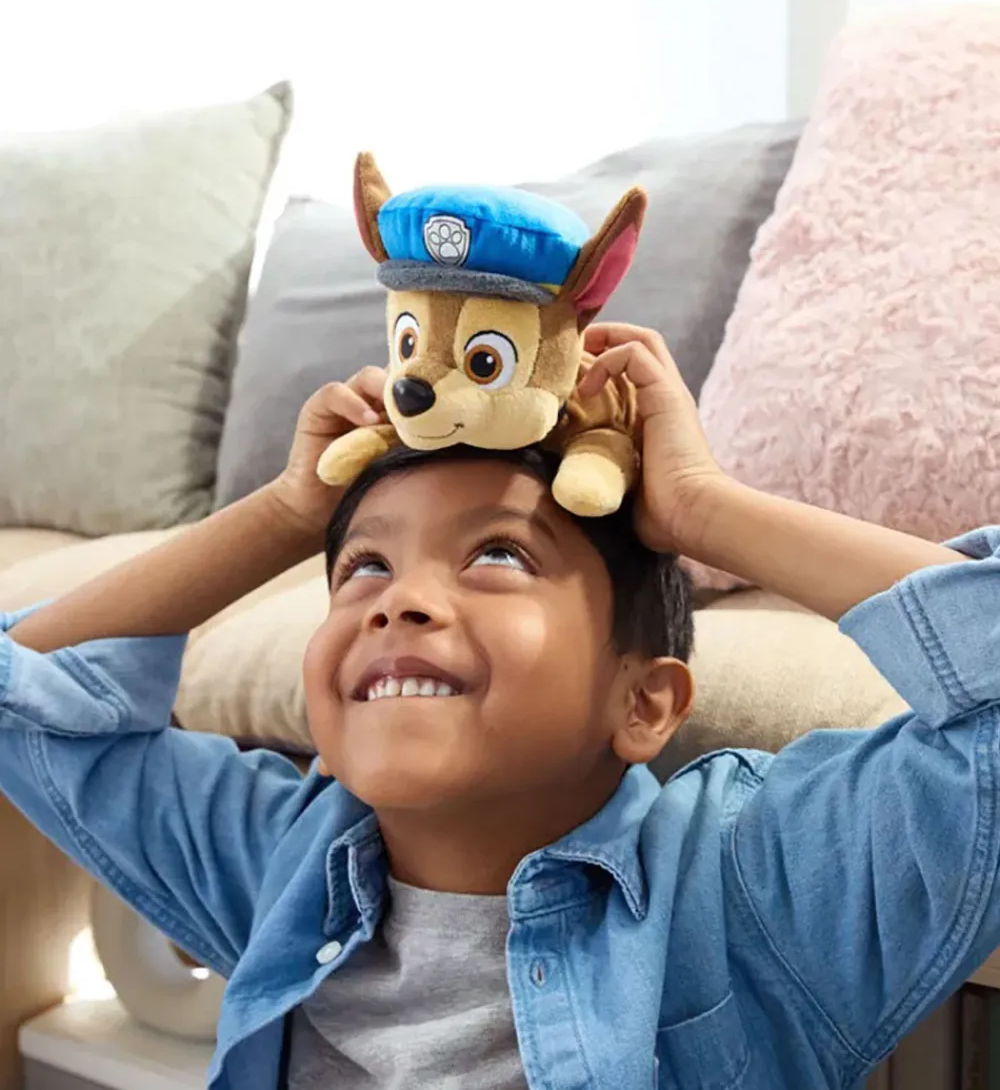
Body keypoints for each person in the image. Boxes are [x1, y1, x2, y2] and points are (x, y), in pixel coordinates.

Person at [1, 324, 996, 1090]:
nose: (399, 599)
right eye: (364, 566)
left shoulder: (748, 885)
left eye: (497, 554)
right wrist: (285, 512)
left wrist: (702, 505)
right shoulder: (276, 864)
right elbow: (25, 703)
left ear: (643, 701)